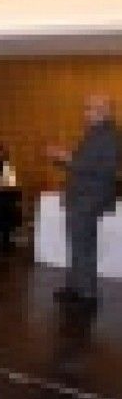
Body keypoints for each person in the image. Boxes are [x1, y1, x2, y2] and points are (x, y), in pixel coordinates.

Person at [46, 94, 119, 305]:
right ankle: (76, 286)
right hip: (83, 197)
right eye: (86, 108)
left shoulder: (109, 135)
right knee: (78, 243)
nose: (85, 113)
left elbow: (104, 168)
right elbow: (85, 163)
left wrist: (65, 156)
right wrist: (65, 159)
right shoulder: (96, 133)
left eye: (90, 108)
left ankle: (86, 292)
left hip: (89, 198)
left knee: (83, 244)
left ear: (104, 110)